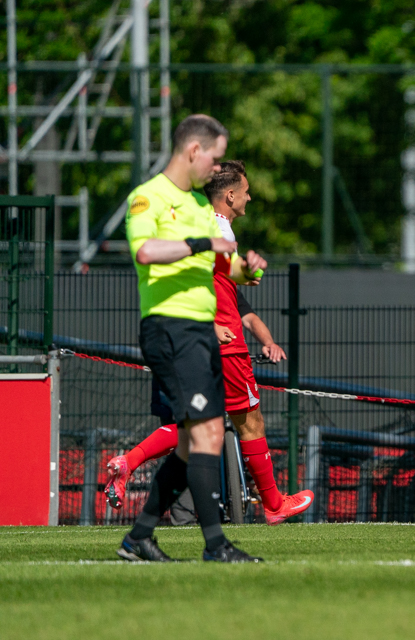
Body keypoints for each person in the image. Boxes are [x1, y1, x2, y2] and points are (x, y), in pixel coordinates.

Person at [105, 160, 314, 526]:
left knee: (196, 427)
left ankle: (128, 462)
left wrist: (247, 273)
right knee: (251, 422)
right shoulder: (218, 228)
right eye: (246, 191)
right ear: (230, 196)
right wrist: (211, 323)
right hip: (226, 344)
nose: (249, 197)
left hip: (197, 341)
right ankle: (274, 504)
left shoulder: (201, 222)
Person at [116, 114, 265, 563]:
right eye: (214, 157)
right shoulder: (148, 198)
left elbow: (224, 265)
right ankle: (216, 545)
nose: (215, 168)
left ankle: (139, 537)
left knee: (189, 443)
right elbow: (146, 251)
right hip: (169, 329)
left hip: (199, 334)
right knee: (207, 436)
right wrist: (202, 243)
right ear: (194, 150)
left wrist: (247, 267)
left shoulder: (201, 206)